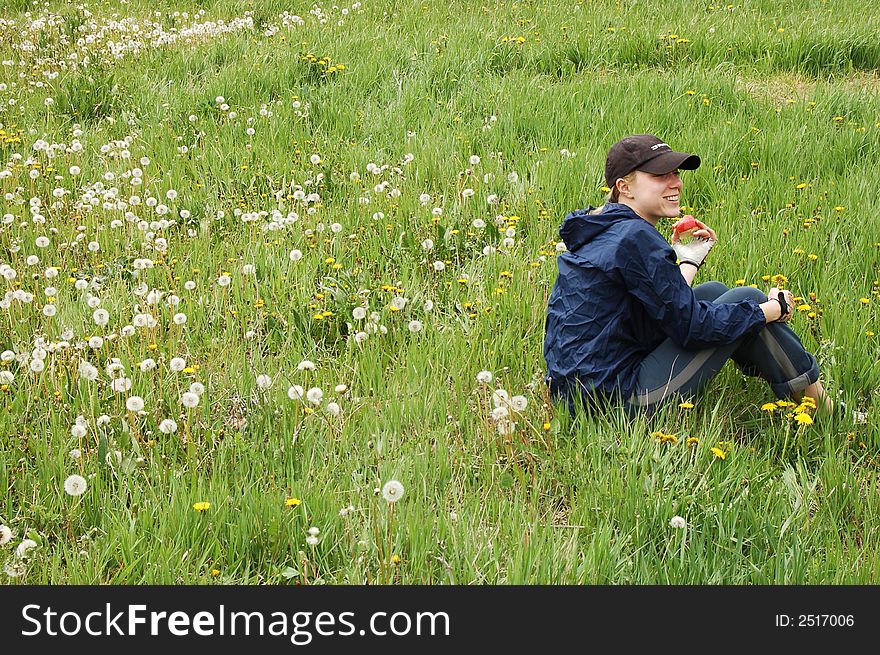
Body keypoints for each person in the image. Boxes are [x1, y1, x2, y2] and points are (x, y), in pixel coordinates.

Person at [543, 134, 832, 419]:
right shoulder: (635, 237)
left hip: (578, 394)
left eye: (675, 173)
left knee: (714, 291)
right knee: (748, 301)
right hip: (615, 403)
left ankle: (801, 391)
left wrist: (689, 259)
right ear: (624, 187)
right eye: (660, 175)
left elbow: (666, 306)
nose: (676, 183)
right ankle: (821, 407)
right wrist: (772, 310)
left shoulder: (607, 229)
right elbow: (691, 327)